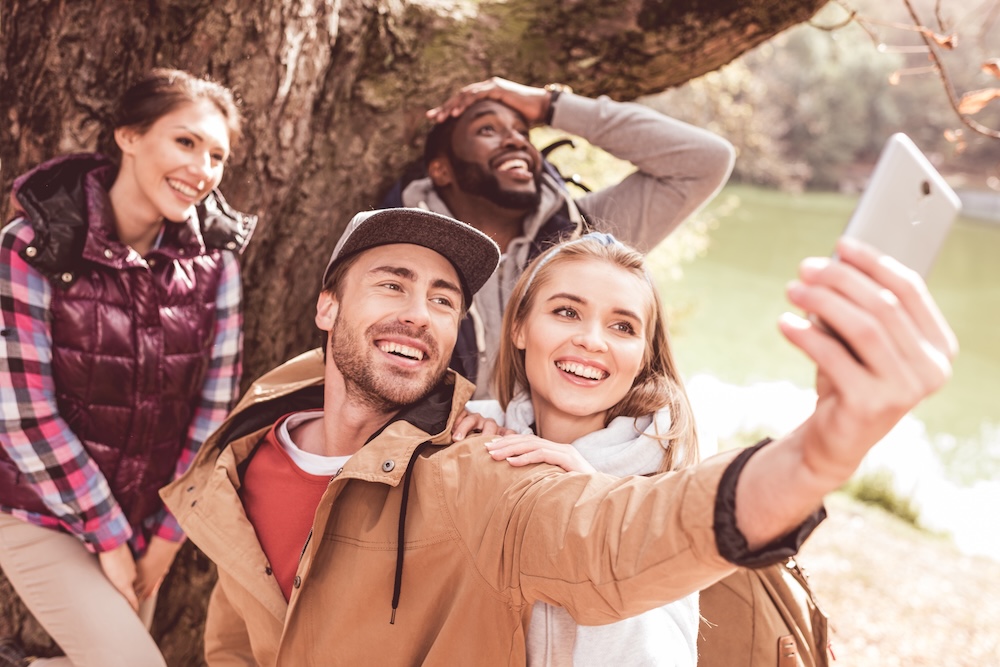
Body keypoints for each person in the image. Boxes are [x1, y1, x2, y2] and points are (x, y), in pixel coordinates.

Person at [160, 207, 955, 666]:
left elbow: (619, 536)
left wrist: (822, 449)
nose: (419, 310)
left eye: (443, 298)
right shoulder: (252, 446)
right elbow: (243, 624)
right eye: (392, 284)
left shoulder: (475, 468)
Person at [0, 68, 256, 667]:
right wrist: (108, 537)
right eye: (185, 142)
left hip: (147, 521)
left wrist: (167, 538)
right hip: (36, 511)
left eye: (216, 155)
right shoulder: (32, 247)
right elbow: (22, 417)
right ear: (129, 136)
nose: (202, 169)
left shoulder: (215, 268)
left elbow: (214, 412)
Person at [402, 76, 735, 396]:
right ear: (441, 170)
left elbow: (706, 160)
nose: (516, 140)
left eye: (522, 132)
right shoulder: (399, 248)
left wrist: (549, 106)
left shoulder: (589, 236)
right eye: (487, 129)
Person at [464, 232, 702, 665]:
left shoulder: (666, 485)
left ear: (643, 356)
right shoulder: (469, 434)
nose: (593, 341)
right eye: (567, 312)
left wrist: (594, 510)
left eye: (622, 326)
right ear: (519, 327)